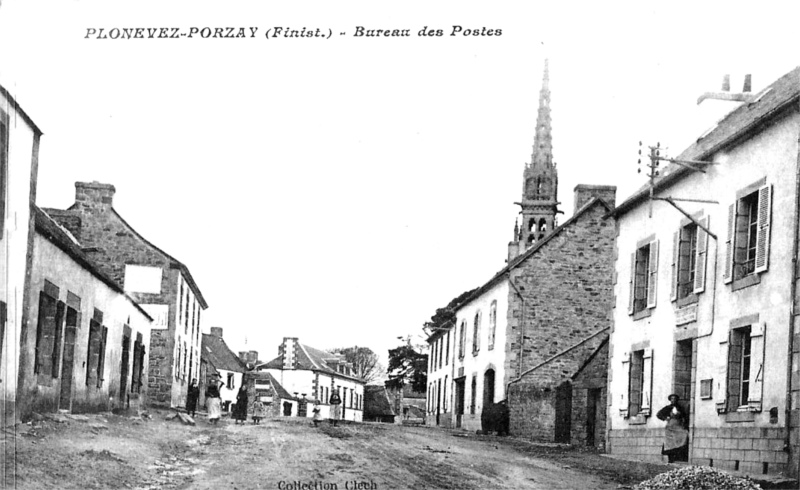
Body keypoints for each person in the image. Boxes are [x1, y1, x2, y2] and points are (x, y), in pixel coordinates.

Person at [657, 394, 689, 463]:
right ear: (670, 400)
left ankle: (678, 456)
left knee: (684, 435)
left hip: (678, 426)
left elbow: (684, 416)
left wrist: (683, 421)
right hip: (670, 427)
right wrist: (666, 418)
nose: (673, 400)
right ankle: (670, 457)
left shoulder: (680, 408)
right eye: (672, 399)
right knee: (670, 443)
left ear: (677, 400)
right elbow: (659, 414)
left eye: (675, 399)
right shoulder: (667, 408)